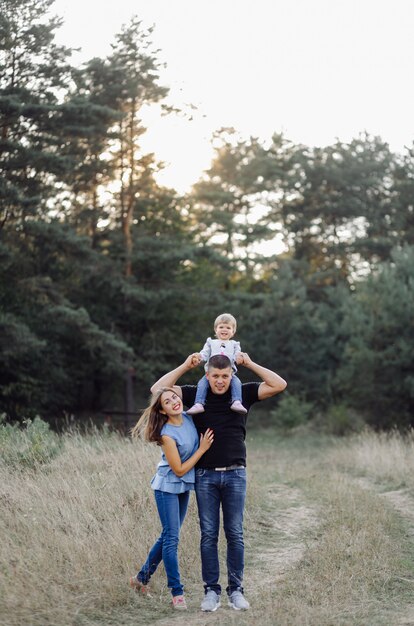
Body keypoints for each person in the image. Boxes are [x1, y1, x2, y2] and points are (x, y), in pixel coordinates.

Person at [150, 351, 287, 612]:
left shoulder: (242, 394)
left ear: (231, 375)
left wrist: (249, 363)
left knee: (235, 533)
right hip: (205, 476)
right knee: (208, 535)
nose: (220, 381)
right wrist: (184, 365)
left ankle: (236, 590)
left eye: (225, 376)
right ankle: (211, 591)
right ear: (207, 375)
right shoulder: (193, 395)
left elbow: (279, 384)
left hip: (236, 473)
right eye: (215, 376)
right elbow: (158, 389)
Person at [129, 386, 214, 610]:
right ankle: (177, 593)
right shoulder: (166, 434)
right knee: (171, 539)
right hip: (167, 486)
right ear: (163, 411)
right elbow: (178, 469)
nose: (174, 401)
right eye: (167, 401)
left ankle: (140, 580)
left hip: (184, 487)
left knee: (167, 535)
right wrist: (202, 449)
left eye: (174, 397)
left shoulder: (189, 418)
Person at [187, 312, 247, 416]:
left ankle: (236, 401)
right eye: (221, 327)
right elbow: (204, 354)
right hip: (211, 372)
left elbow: (237, 355)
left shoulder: (234, 344)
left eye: (228, 328)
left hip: (229, 373)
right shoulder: (211, 342)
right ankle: (199, 403)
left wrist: (239, 357)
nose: (224, 329)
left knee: (237, 383)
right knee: (202, 384)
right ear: (216, 329)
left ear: (233, 331)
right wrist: (198, 357)